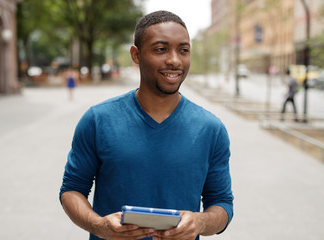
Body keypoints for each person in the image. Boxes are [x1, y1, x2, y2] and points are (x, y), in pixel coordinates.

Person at [60, 10, 233, 240]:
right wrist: (99, 225)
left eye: (183, 50)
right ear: (136, 55)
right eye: (161, 49)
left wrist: (200, 222)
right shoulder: (98, 120)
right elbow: (71, 190)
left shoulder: (211, 128)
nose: (174, 60)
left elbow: (221, 203)